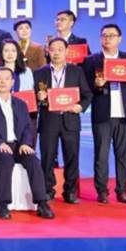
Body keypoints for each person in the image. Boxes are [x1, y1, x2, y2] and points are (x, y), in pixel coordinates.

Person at [0, 67, 54, 220]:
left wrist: (25, 143)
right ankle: (3, 204)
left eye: (7, 79)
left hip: (18, 145)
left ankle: (42, 203)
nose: (3, 82)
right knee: (6, 160)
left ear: (12, 82)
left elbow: (27, 126)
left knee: (33, 160)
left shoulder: (20, 104)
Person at [82, 24, 126, 204]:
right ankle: (102, 191)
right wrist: (96, 85)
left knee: (123, 155)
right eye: (104, 35)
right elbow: (85, 88)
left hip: (124, 114)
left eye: (111, 35)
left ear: (119, 39)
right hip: (102, 113)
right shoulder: (91, 61)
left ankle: (122, 191)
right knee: (101, 155)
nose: (107, 38)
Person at [34, 38, 93, 204]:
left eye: (60, 49)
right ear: (48, 51)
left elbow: (87, 94)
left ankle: (70, 191)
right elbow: (31, 97)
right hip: (49, 119)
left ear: (67, 51)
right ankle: (48, 190)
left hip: (70, 119)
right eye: (53, 49)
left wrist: (80, 107)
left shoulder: (77, 71)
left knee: (72, 157)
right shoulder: (39, 73)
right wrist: (38, 97)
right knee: (47, 157)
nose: (56, 53)